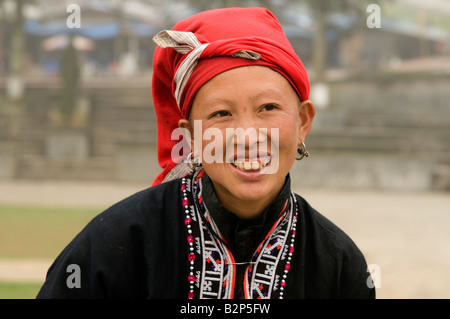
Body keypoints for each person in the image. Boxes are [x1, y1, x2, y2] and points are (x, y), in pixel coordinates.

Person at [37, 7, 375, 299]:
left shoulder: (338, 262)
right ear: (190, 136)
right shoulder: (116, 245)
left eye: (268, 107)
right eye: (221, 114)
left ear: (303, 122)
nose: (247, 136)